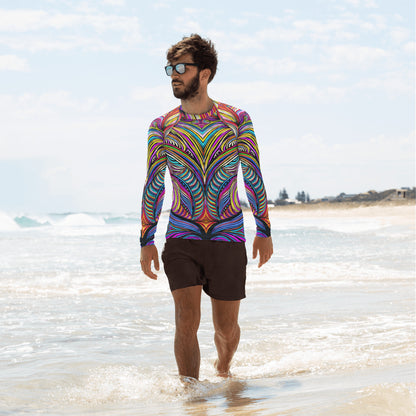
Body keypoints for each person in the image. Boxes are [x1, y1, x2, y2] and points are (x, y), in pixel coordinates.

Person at [140, 34, 273, 381]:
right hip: (182, 234)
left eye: (182, 67)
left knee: (226, 329)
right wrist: (146, 239)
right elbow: (155, 182)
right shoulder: (162, 127)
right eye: (170, 68)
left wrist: (264, 228)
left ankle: (224, 366)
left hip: (228, 235)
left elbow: (252, 174)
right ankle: (191, 397)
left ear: (205, 73)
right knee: (186, 320)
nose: (173, 75)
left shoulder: (236, 120)